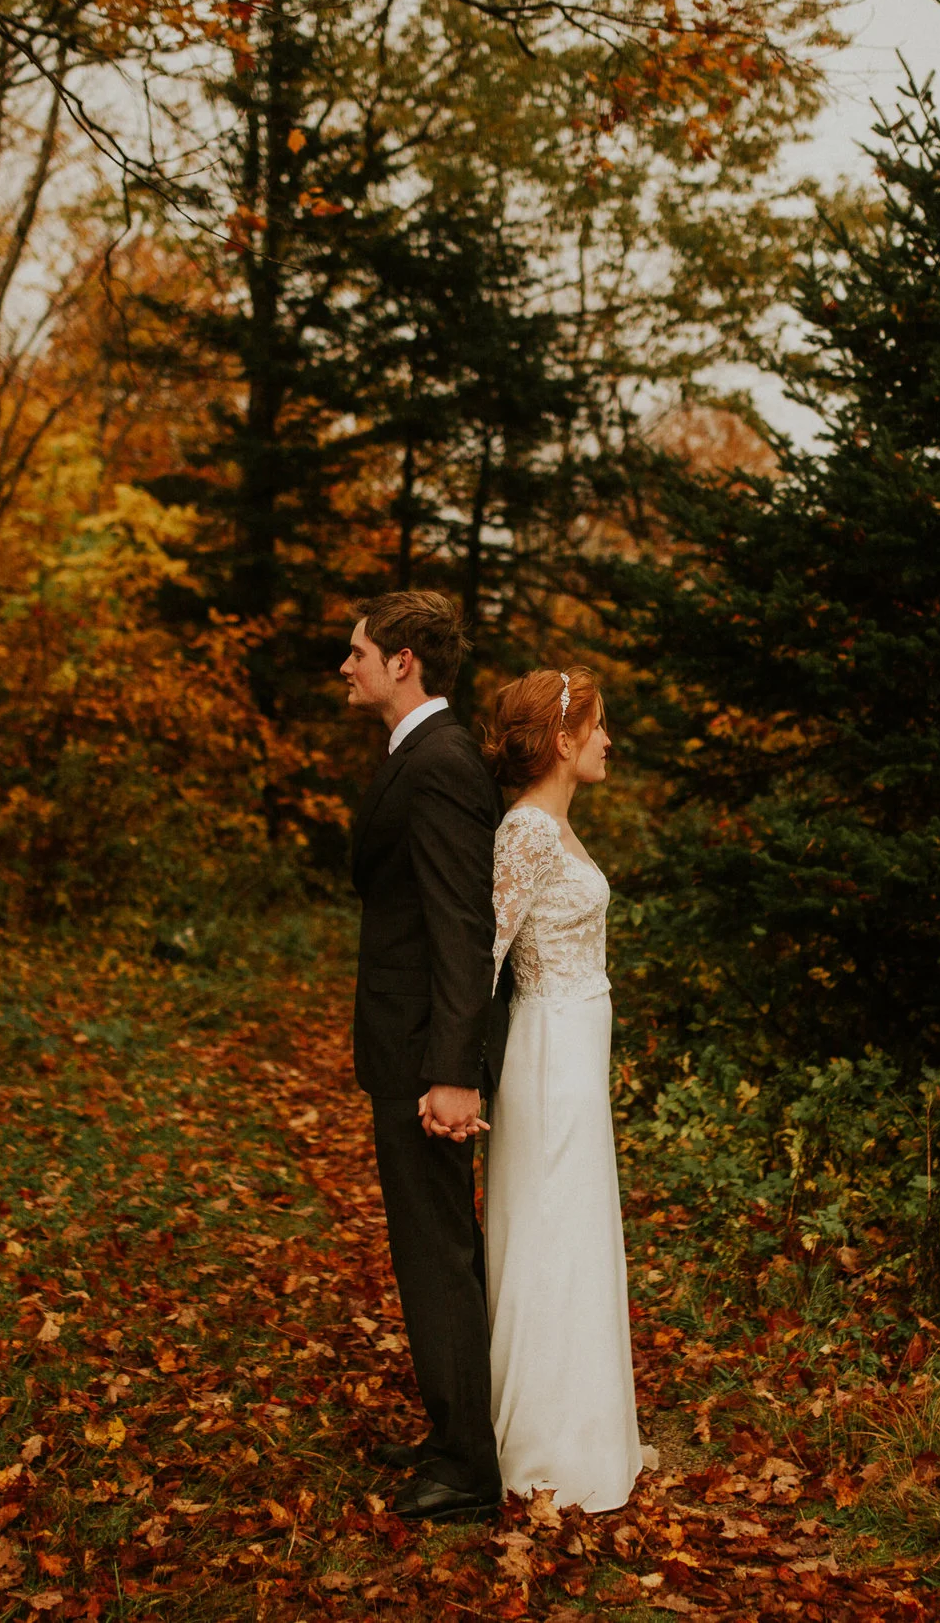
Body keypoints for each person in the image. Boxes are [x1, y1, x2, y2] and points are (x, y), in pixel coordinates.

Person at [338, 592, 502, 1523]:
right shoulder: (422, 754)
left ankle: (467, 1470)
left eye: (357, 651)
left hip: (421, 1058)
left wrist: (452, 1069)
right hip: (407, 1047)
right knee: (437, 1249)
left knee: (436, 1253)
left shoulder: (438, 765)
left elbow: (460, 922)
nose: (347, 665)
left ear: (404, 660)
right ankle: (456, 1431)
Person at [479, 667, 649, 1512]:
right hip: (547, 1052)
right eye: (599, 727)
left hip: (581, 1048)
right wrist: (455, 1072)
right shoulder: (525, 833)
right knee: (550, 1227)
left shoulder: (555, 825)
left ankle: (588, 1426)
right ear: (562, 739)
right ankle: (547, 1441)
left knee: (579, 1229)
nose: (610, 741)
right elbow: (486, 955)